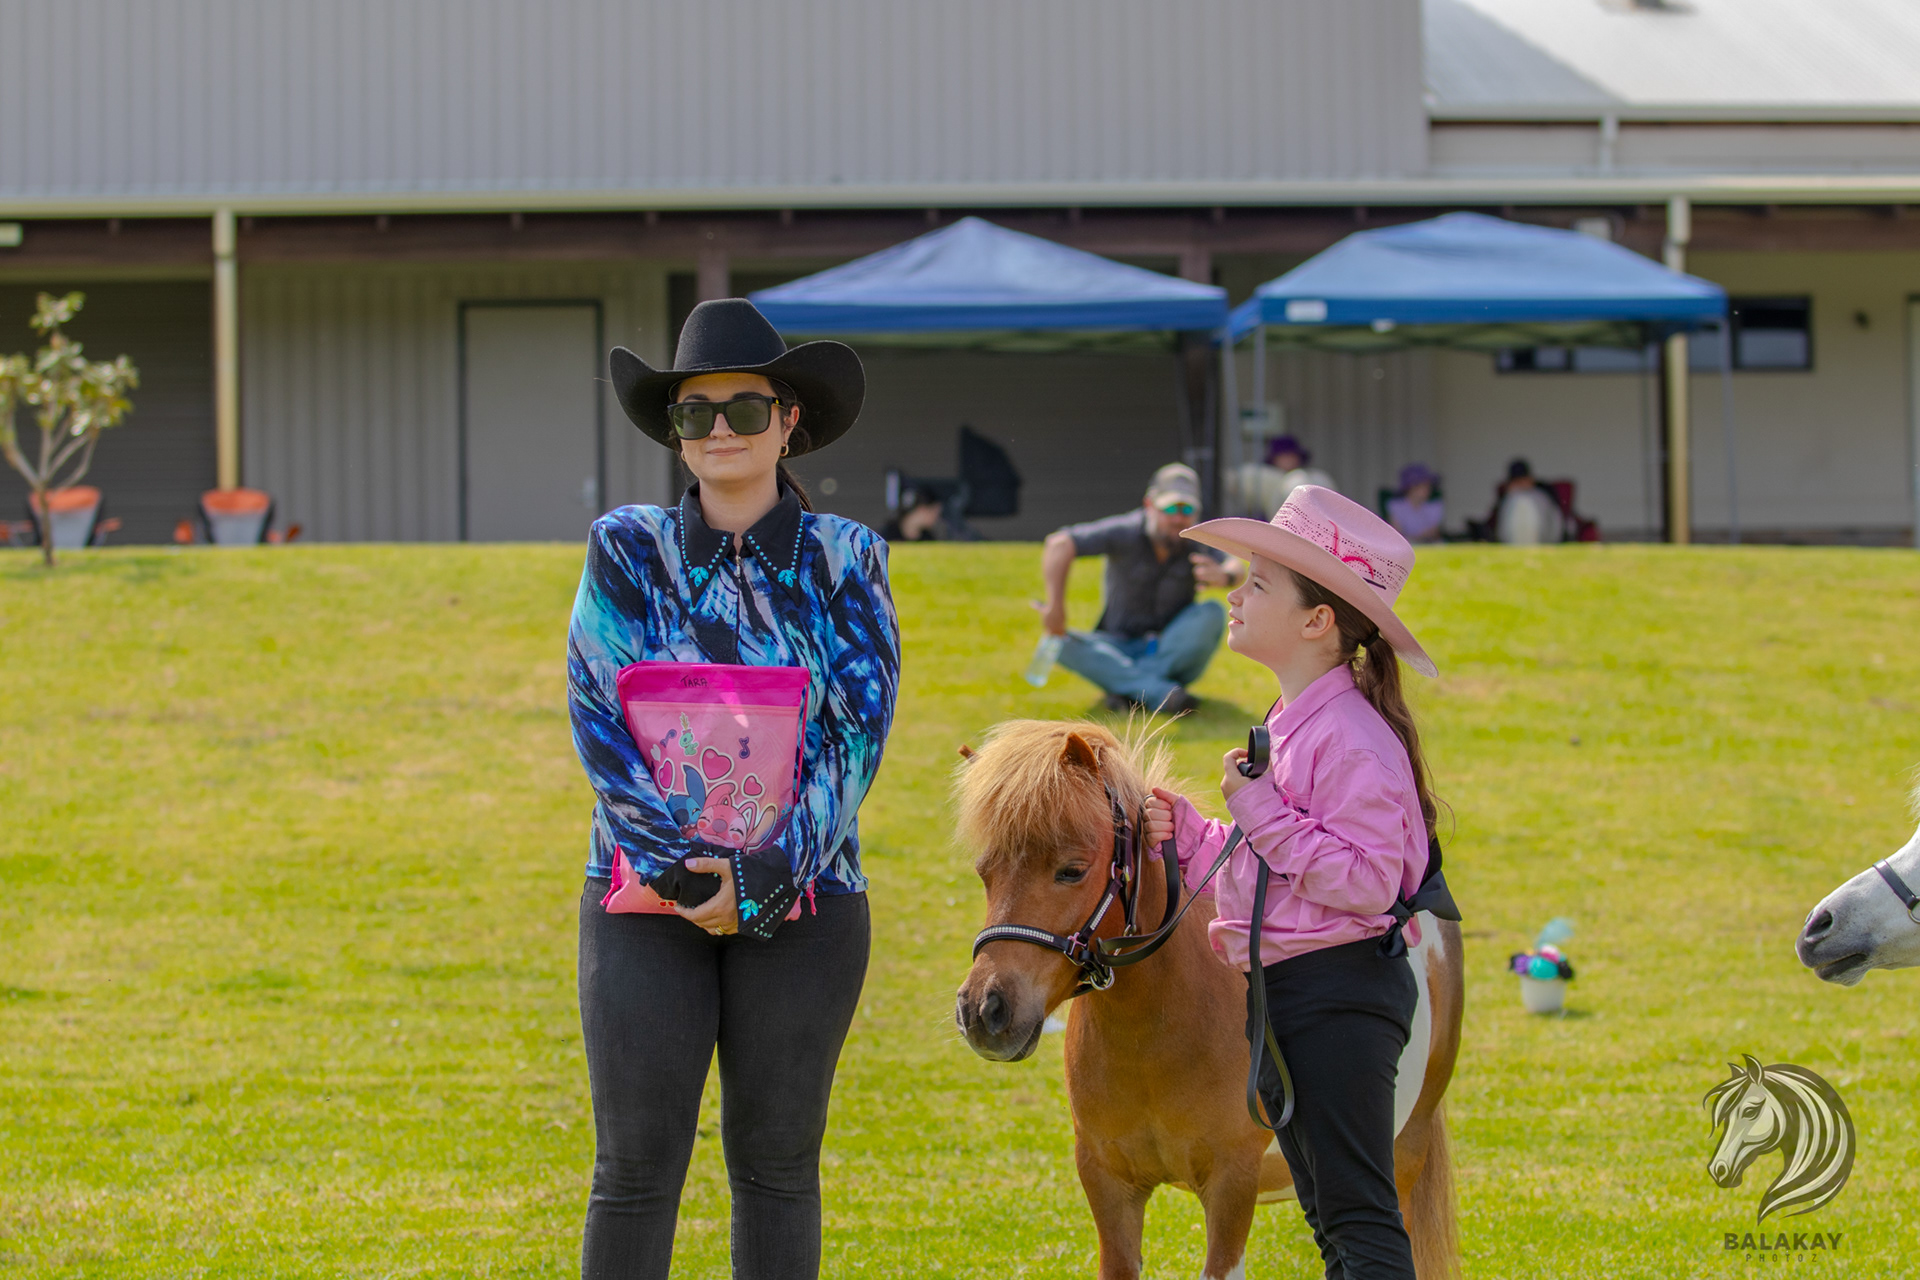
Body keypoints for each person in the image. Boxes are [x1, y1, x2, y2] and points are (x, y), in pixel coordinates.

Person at [572, 298, 900, 1280]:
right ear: (675, 430)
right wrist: (679, 872)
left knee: (777, 1169)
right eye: (695, 411)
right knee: (633, 1169)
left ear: (788, 420)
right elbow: (596, 713)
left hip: (809, 900)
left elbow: (856, 734)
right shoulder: (627, 547)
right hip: (643, 898)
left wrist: (762, 877)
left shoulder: (848, 557)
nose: (720, 429)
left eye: (745, 409)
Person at [1143, 484, 1441, 1280]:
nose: (1235, 596)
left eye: (1258, 584)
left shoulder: (1350, 737)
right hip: (1294, 995)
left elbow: (1368, 881)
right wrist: (1194, 831)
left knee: (1357, 1222)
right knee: (1333, 1222)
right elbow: (1277, 867)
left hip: (1336, 996)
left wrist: (1256, 806)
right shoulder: (1299, 722)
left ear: (1317, 622)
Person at [1039, 463, 1244, 715]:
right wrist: (1055, 607)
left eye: (1187, 510)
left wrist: (1225, 576)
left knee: (1212, 612)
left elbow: (1236, 566)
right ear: (1149, 504)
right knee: (1057, 643)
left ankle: (1131, 687)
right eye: (1170, 508)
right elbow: (1059, 544)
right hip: (1119, 644)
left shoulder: (1196, 539)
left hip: (1170, 650)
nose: (1178, 518)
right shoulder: (1124, 532)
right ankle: (1158, 691)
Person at [1493, 458, 1564, 545]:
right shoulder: (1508, 497)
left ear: (1531, 479)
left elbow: (1556, 522)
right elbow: (1499, 529)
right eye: (1517, 482)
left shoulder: (1542, 495)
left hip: (1544, 542)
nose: (1521, 485)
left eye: (1523, 480)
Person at [1385, 463, 1444, 544]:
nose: (1428, 489)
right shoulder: (1395, 506)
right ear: (1411, 488)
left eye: (1428, 485)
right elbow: (1397, 534)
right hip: (1405, 546)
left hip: (1428, 546)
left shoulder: (1435, 506)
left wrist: (1418, 538)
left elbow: (1433, 533)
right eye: (1423, 485)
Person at [879, 483, 944, 542]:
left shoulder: (928, 538)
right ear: (922, 509)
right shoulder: (887, 535)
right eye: (935, 512)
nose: (936, 518)